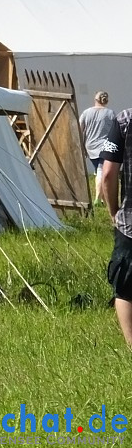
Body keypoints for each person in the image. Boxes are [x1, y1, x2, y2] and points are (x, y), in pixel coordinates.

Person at [97, 116, 132, 347]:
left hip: (130, 223)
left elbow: (108, 173)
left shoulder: (124, 120)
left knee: (126, 287)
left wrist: (113, 212)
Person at [81, 91, 117, 203]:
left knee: (98, 170)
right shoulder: (111, 113)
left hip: (90, 147)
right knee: (101, 171)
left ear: (95, 99)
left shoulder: (86, 113)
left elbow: (79, 128)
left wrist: (82, 145)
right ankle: (97, 198)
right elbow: (116, 130)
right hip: (105, 146)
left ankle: (101, 199)